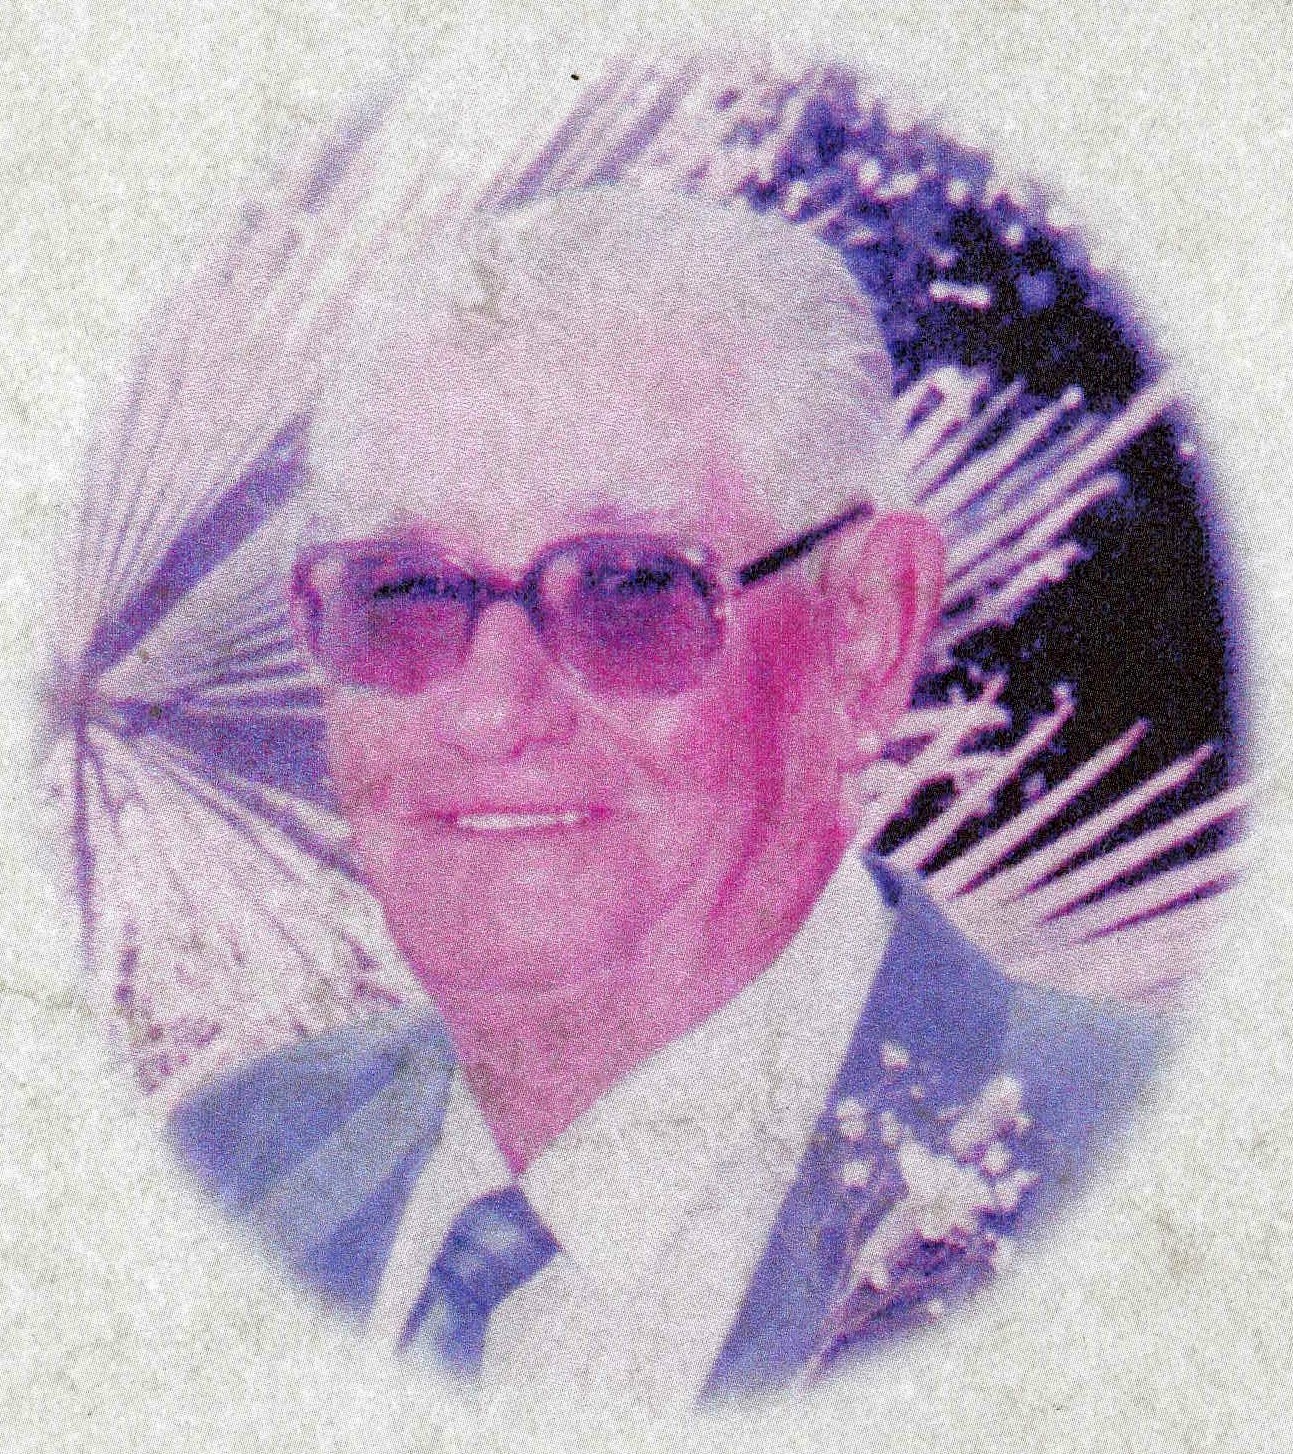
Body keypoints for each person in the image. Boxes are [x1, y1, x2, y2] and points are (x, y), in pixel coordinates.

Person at [170, 187, 1162, 1404]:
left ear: (868, 629)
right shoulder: (232, 1162)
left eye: (630, 589)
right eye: (406, 593)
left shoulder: (1163, 1181)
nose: (492, 709)